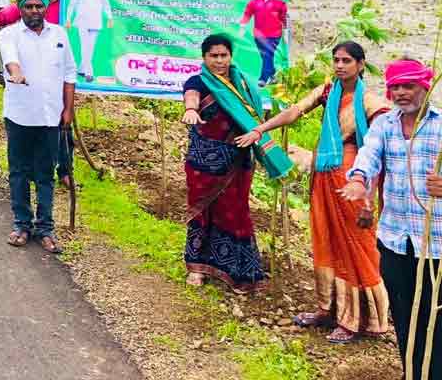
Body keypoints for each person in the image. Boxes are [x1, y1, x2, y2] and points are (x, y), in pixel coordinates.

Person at [239, 42, 391, 343]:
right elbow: (295, 111)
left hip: (352, 181)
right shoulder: (327, 92)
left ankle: (356, 320)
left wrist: (369, 201)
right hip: (323, 177)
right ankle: (328, 308)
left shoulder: (372, 103)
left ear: (361, 65)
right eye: (335, 60)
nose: (339, 65)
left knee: (355, 246)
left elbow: (379, 150)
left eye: (346, 60)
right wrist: (261, 129)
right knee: (326, 241)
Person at [341, 58, 442, 379]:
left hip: (437, 244)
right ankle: (412, 371)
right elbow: (369, 155)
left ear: (424, 87)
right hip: (396, 241)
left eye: (408, 86)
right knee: (404, 310)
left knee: (435, 314)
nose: (400, 93)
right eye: (395, 86)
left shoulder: (441, 125)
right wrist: (358, 179)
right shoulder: (384, 126)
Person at [181, 34, 268, 293]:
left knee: (236, 212)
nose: (219, 61)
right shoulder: (198, 81)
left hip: (237, 160)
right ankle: (197, 268)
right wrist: (191, 110)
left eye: (224, 55)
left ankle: (239, 270)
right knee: (201, 211)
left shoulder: (242, 84)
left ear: (231, 56)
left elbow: (256, 115)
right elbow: (192, 96)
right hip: (203, 162)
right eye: (213, 56)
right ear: (204, 58)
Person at [0, 0, 75, 255]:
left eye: (38, 7)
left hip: (50, 117)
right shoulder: (9, 34)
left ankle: (45, 228)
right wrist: (17, 74)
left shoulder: (60, 34)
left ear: (45, 8)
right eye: (28, 7)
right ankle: (22, 224)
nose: (34, 11)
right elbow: (11, 60)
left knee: (45, 173)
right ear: (21, 9)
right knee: (18, 172)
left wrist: (68, 110)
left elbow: (69, 73)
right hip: (20, 115)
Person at [64, 0, 113, 82]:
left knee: (90, 48)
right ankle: (89, 72)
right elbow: (71, 4)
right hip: (82, 21)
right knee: (85, 46)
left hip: (96, 21)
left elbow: (106, 4)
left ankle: (81, 69)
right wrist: (68, 19)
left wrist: (110, 17)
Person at [240, 0, 288, 86]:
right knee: (265, 56)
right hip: (258, 35)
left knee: (267, 55)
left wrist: (285, 33)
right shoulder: (254, 2)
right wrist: (242, 28)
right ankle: (273, 76)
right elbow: (247, 14)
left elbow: (284, 19)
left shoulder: (280, 3)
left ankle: (263, 79)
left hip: (274, 35)